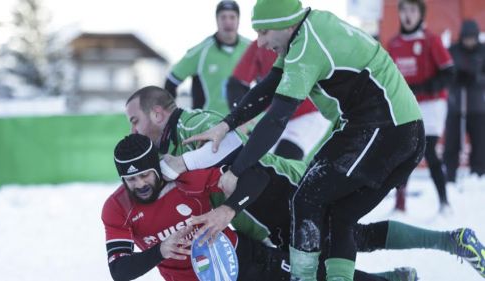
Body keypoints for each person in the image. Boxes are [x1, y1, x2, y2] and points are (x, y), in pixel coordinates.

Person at [125, 85, 485, 280]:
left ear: (158, 113)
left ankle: (440, 249)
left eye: (135, 120)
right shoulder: (173, 144)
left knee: (321, 252)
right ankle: (418, 264)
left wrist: (188, 173)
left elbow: (241, 158)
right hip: (265, 206)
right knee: (342, 240)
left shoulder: (192, 124)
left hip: (281, 191)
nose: (133, 130)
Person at [181, 0, 429, 279]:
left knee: (307, 197)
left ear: (286, 25)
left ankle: (304, 276)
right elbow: (268, 86)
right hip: (390, 127)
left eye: (263, 33)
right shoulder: (306, 28)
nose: (260, 43)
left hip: (387, 128)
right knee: (339, 216)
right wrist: (227, 124)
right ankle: (444, 242)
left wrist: (237, 170)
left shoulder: (306, 46)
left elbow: (276, 118)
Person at [102, 133, 297, 281]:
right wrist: (161, 250)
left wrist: (227, 210)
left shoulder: (185, 178)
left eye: (145, 175)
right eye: (131, 179)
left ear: (157, 169)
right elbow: (120, 270)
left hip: (245, 260)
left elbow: (257, 177)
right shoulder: (117, 207)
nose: (140, 185)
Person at [387, 0, 453, 213]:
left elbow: (449, 72)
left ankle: (444, 203)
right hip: (407, 105)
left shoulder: (431, 40)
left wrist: (424, 87)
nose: (408, 15)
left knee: (429, 151)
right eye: (404, 10)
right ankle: (399, 204)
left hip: (432, 105)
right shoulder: (394, 43)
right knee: (402, 152)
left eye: (412, 10)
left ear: (421, 14)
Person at [227, 40, 331, 161]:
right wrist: (241, 118)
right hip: (276, 112)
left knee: (284, 157)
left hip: (309, 113)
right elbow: (237, 84)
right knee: (251, 158)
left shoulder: (306, 45)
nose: (263, 36)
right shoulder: (261, 44)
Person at [164, 0, 250, 115]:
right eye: (223, 17)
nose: (228, 22)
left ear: (239, 20)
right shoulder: (201, 51)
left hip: (242, 124)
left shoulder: (251, 49)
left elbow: (267, 82)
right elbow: (171, 81)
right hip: (208, 124)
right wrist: (172, 116)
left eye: (232, 17)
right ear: (216, 20)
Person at [444, 19, 485, 185]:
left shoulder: (483, 51)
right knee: (452, 142)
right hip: (456, 106)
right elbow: (444, 73)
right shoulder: (453, 51)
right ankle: (450, 176)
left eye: (472, 38)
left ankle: (479, 174)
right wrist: (456, 78)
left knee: (480, 143)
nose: (470, 41)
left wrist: (476, 78)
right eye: (467, 38)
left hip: (477, 107)